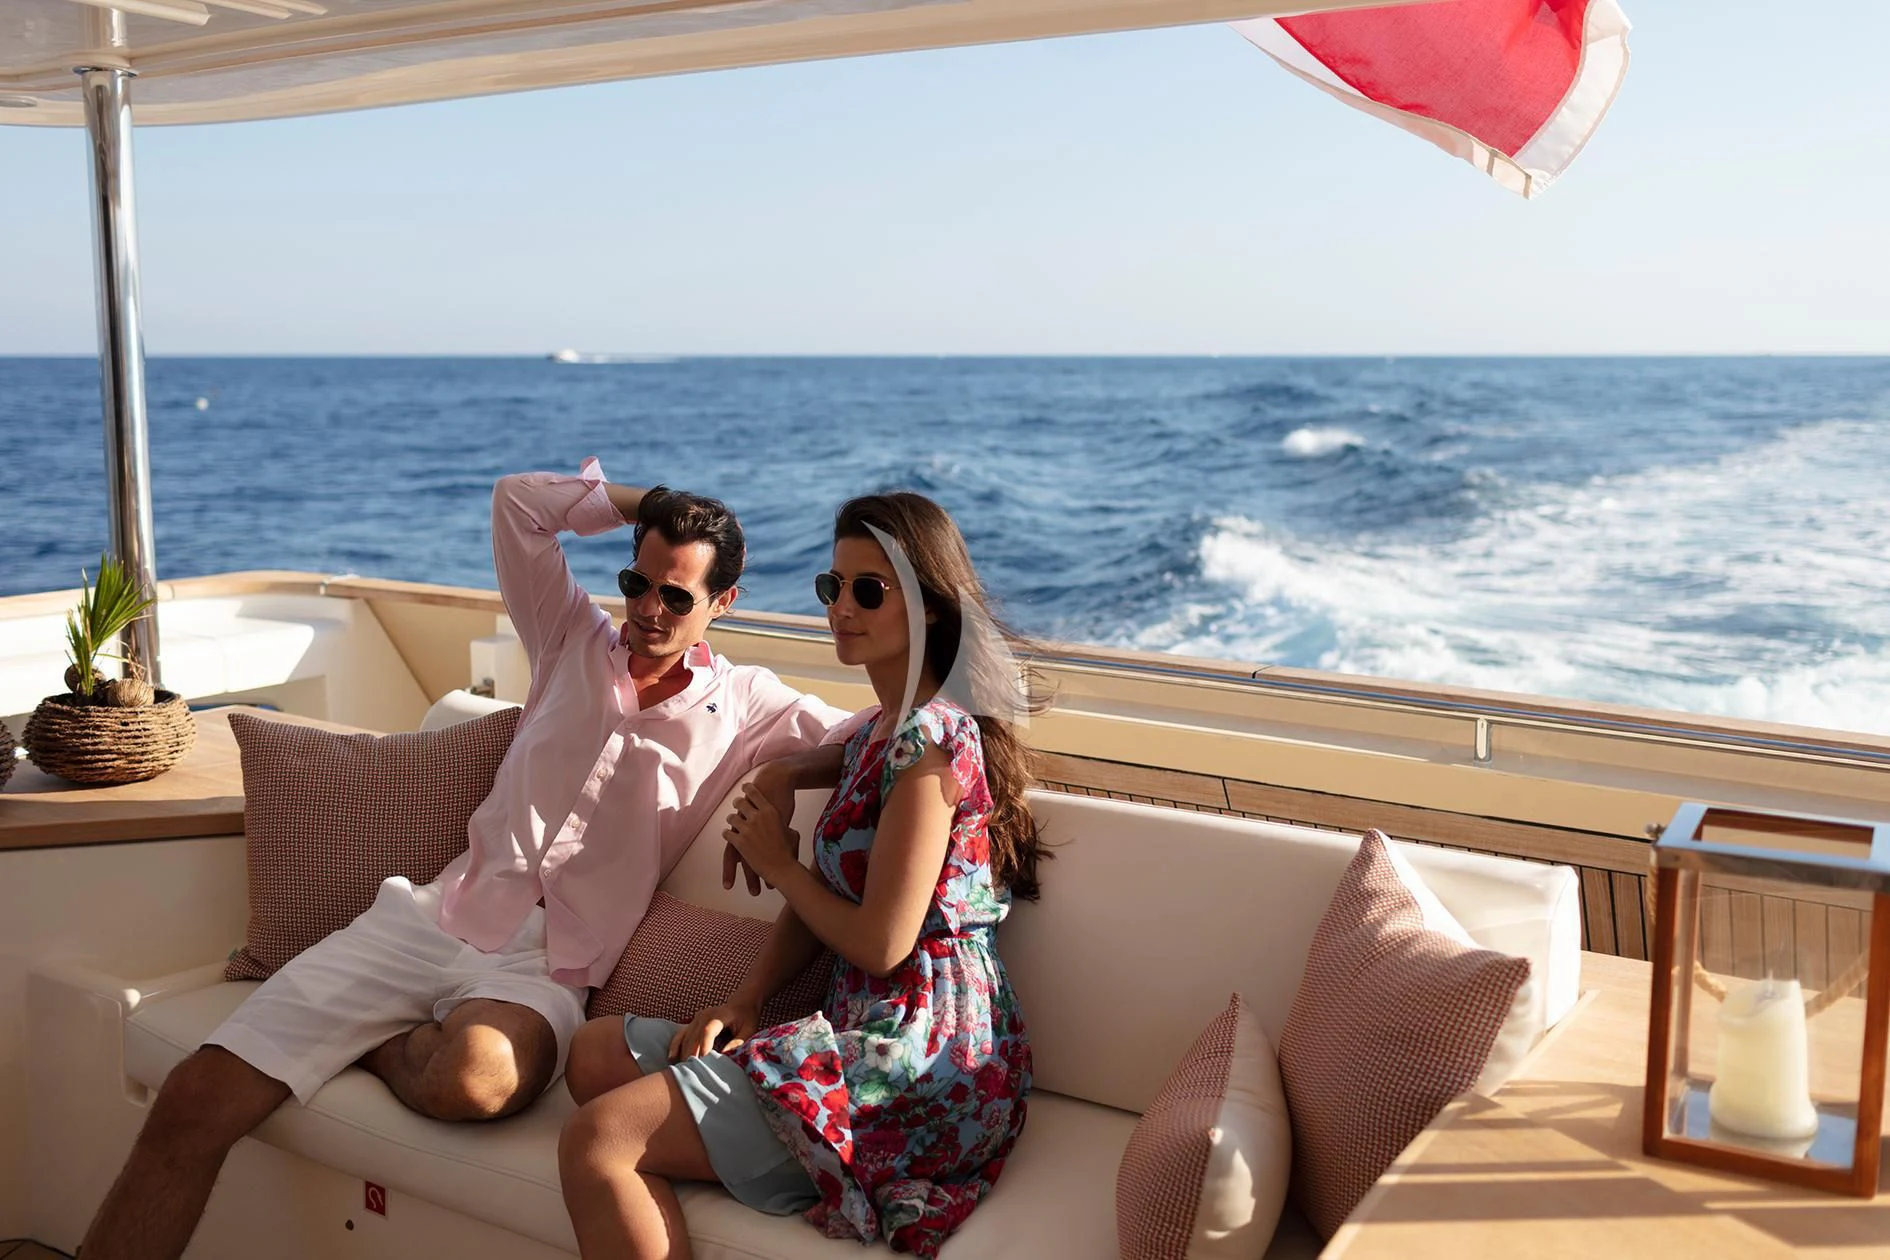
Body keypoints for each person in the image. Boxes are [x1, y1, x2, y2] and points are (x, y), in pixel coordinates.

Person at [80, 459, 852, 1260]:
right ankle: (358, 1026)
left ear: (724, 603)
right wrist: (648, 503)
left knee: (475, 1080)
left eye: (677, 596)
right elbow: (519, 503)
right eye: (636, 582)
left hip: (550, 969)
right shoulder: (567, 634)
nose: (647, 611)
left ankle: (374, 1042)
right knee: (194, 1098)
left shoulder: (750, 705)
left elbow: (876, 737)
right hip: (432, 918)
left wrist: (790, 772)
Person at [558, 491, 1046, 1259]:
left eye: (868, 591)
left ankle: (784, 1154)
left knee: (596, 1141)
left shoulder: (930, 743)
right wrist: (746, 1001)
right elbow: (845, 845)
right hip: (868, 1030)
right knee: (591, 1056)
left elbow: (882, 944)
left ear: (928, 609)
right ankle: (763, 1152)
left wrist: (781, 864)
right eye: (833, 586)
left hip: (918, 1059)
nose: (841, 607)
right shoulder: (887, 730)